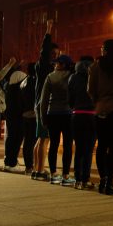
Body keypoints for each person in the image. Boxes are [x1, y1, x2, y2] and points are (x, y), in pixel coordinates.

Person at [88, 39, 113, 195]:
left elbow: (90, 90)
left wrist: (97, 102)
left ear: (106, 50)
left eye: (103, 48)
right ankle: (110, 182)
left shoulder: (95, 66)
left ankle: (103, 180)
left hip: (100, 109)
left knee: (101, 145)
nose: (101, 50)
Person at [40, 54, 75, 186]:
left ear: (63, 64)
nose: (55, 65)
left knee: (53, 145)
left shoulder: (50, 77)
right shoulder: (72, 76)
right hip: (67, 114)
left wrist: (43, 117)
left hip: (52, 114)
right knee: (67, 145)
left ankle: (54, 174)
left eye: (57, 63)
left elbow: (43, 100)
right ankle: (66, 175)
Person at [32, 19, 59, 181]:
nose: (56, 57)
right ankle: (40, 170)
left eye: (57, 54)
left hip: (39, 105)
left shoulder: (43, 69)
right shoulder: (44, 66)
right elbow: (44, 50)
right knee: (44, 138)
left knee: (41, 139)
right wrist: (48, 29)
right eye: (53, 54)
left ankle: (37, 169)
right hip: (44, 106)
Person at [68, 55, 96, 190]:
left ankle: (77, 180)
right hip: (91, 115)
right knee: (88, 150)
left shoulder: (73, 77)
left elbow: (70, 97)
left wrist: (75, 107)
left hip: (77, 115)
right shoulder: (95, 75)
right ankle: (86, 179)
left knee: (78, 148)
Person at [3, 65, 28, 173]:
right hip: (18, 117)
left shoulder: (8, 88)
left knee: (11, 138)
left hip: (10, 116)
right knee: (16, 139)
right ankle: (11, 162)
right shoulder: (18, 90)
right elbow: (21, 105)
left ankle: (9, 161)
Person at [20, 63, 38, 174]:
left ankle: (29, 166)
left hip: (25, 113)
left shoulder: (24, 81)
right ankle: (31, 166)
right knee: (34, 141)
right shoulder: (35, 81)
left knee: (28, 141)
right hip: (33, 113)